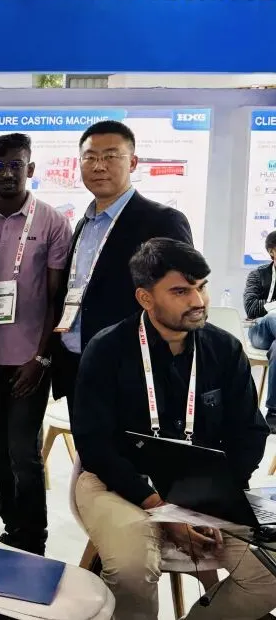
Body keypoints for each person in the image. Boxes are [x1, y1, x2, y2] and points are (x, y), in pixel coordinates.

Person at [73, 238, 275, 620]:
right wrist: (159, 506)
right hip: (118, 483)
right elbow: (94, 444)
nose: (198, 301)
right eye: (181, 291)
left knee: (270, 572)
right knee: (132, 568)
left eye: (202, 287)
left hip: (203, 486)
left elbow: (249, 433)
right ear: (145, 298)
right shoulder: (107, 350)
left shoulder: (225, 349)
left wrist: (212, 499)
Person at [51, 120, 192, 410]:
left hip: (132, 369)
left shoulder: (162, 221)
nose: (99, 166)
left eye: (111, 156)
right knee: (85, 439)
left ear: (133, 163)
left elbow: (180, 297)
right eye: (90, 157)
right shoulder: (83, 224)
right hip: (78, 363)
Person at [0, 133, 71, 556]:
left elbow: (56, 298)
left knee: (23, 452)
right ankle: (11, 527)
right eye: (0, 165)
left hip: (29, 361)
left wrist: (42, 357)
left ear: (30, 169)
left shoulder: (51, 222)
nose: (8, 173)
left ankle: (34, 539)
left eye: (16, 165)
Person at [244, 230, 276, 432]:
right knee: (273, 317)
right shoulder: (258, 275)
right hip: (260, 331)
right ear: (272, 252)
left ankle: (273, 412)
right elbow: (251, 308)